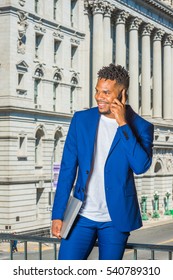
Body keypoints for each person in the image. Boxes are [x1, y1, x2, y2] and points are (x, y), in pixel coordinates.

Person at [51, 63, 154, 260]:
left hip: (116, 220)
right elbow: (67, 170)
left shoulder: (140, 127)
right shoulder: (81, 120)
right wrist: (58, 214)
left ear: (122, 93)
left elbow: (141, 166)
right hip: (80, 216)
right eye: (97, 91)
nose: (99, 97)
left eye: (106, 93)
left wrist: (123, 124)